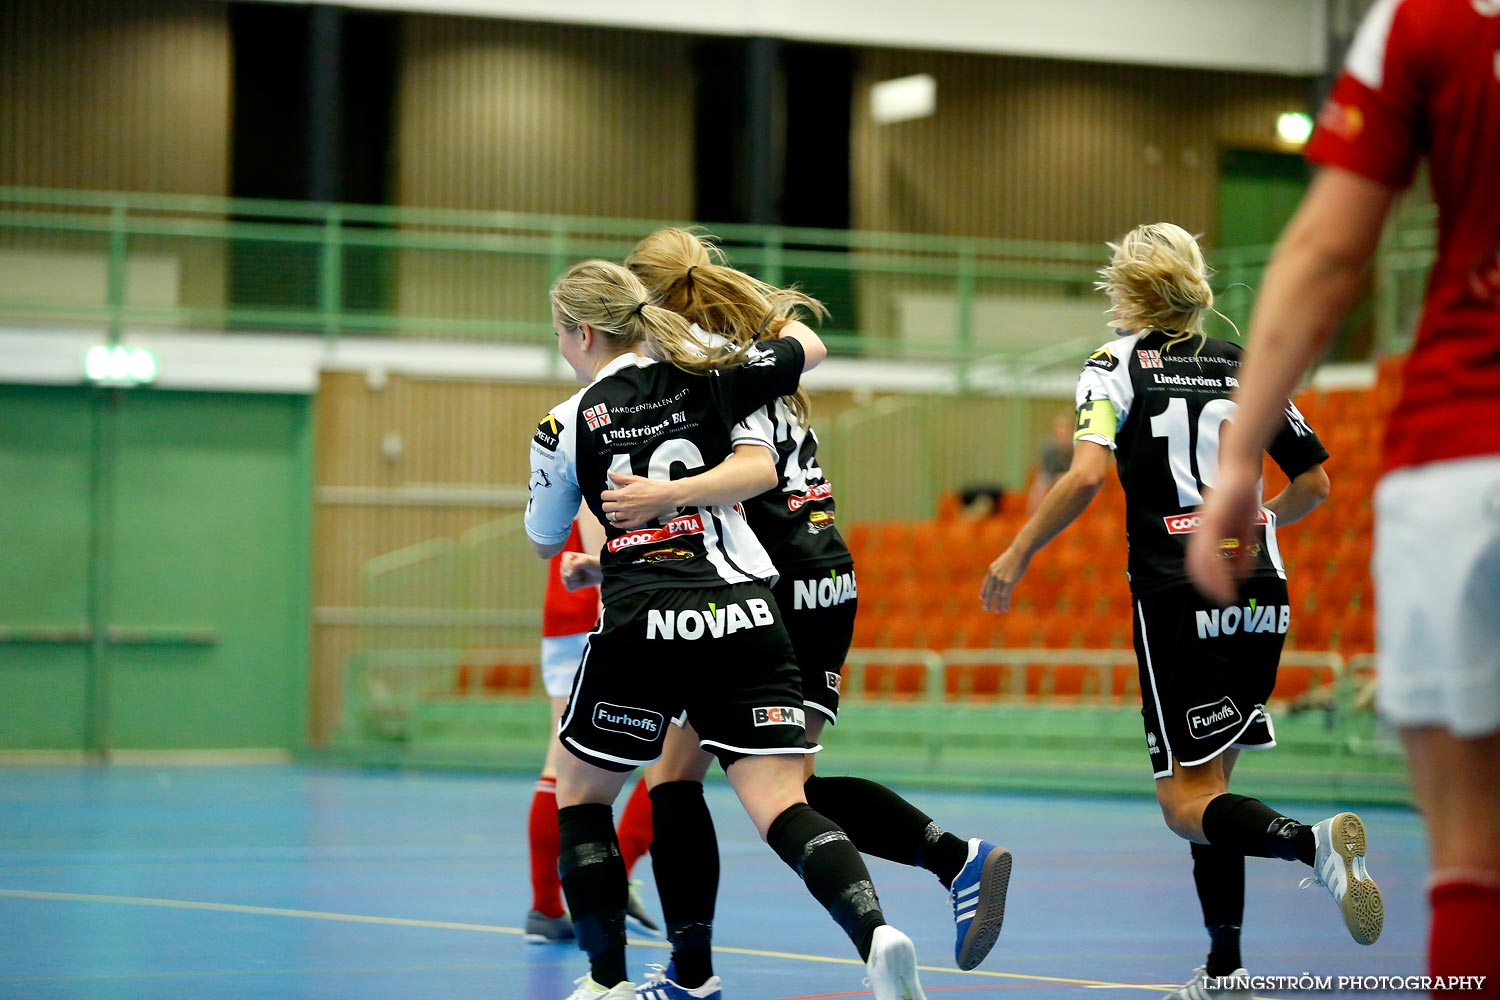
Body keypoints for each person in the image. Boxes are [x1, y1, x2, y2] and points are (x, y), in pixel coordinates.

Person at [568, 228, 1011, 1000]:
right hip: (823, 573)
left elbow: (734, 478)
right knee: (769, 781)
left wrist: (645, 519)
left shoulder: (693, 369)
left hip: (764, 582)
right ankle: (947, 862)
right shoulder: (743, 350)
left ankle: (694, 974)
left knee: (696, 784)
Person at [1186, 3, 1500, 994]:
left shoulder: (1429, 19)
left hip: (1467, 451)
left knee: (1472, 862)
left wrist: (1240, 462)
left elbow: (1328, 252)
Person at [981, 223, 1380, 1000]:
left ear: (1125, 291)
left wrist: (1017, 549)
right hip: (1262, 586)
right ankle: (1226, 968)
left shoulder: (1112, 366)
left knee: (1184, 805)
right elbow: (1316, 486)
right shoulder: (1244, 365)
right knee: (1215, 788)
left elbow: (1086, 475)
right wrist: (1243, 520)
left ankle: (1312, 845)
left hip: (1177, 586)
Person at [526, 515, 660, 944]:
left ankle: (548, 906)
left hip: (566, 607)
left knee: (560, 760)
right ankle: (609, 880)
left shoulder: (554, 448)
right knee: (677, 752)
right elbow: (599, 533)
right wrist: (614, 613)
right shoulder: (606, 445)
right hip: (606, 603)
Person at [1026, 413, 1076, 514]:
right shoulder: (1048, 447)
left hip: (1072, 475)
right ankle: (1035, 515)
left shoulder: (1077, 446)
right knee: (1038, 487)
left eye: (1066, 428)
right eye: (1059, 427)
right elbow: (1047, 470)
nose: (1062, 431)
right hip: (1051, 475)